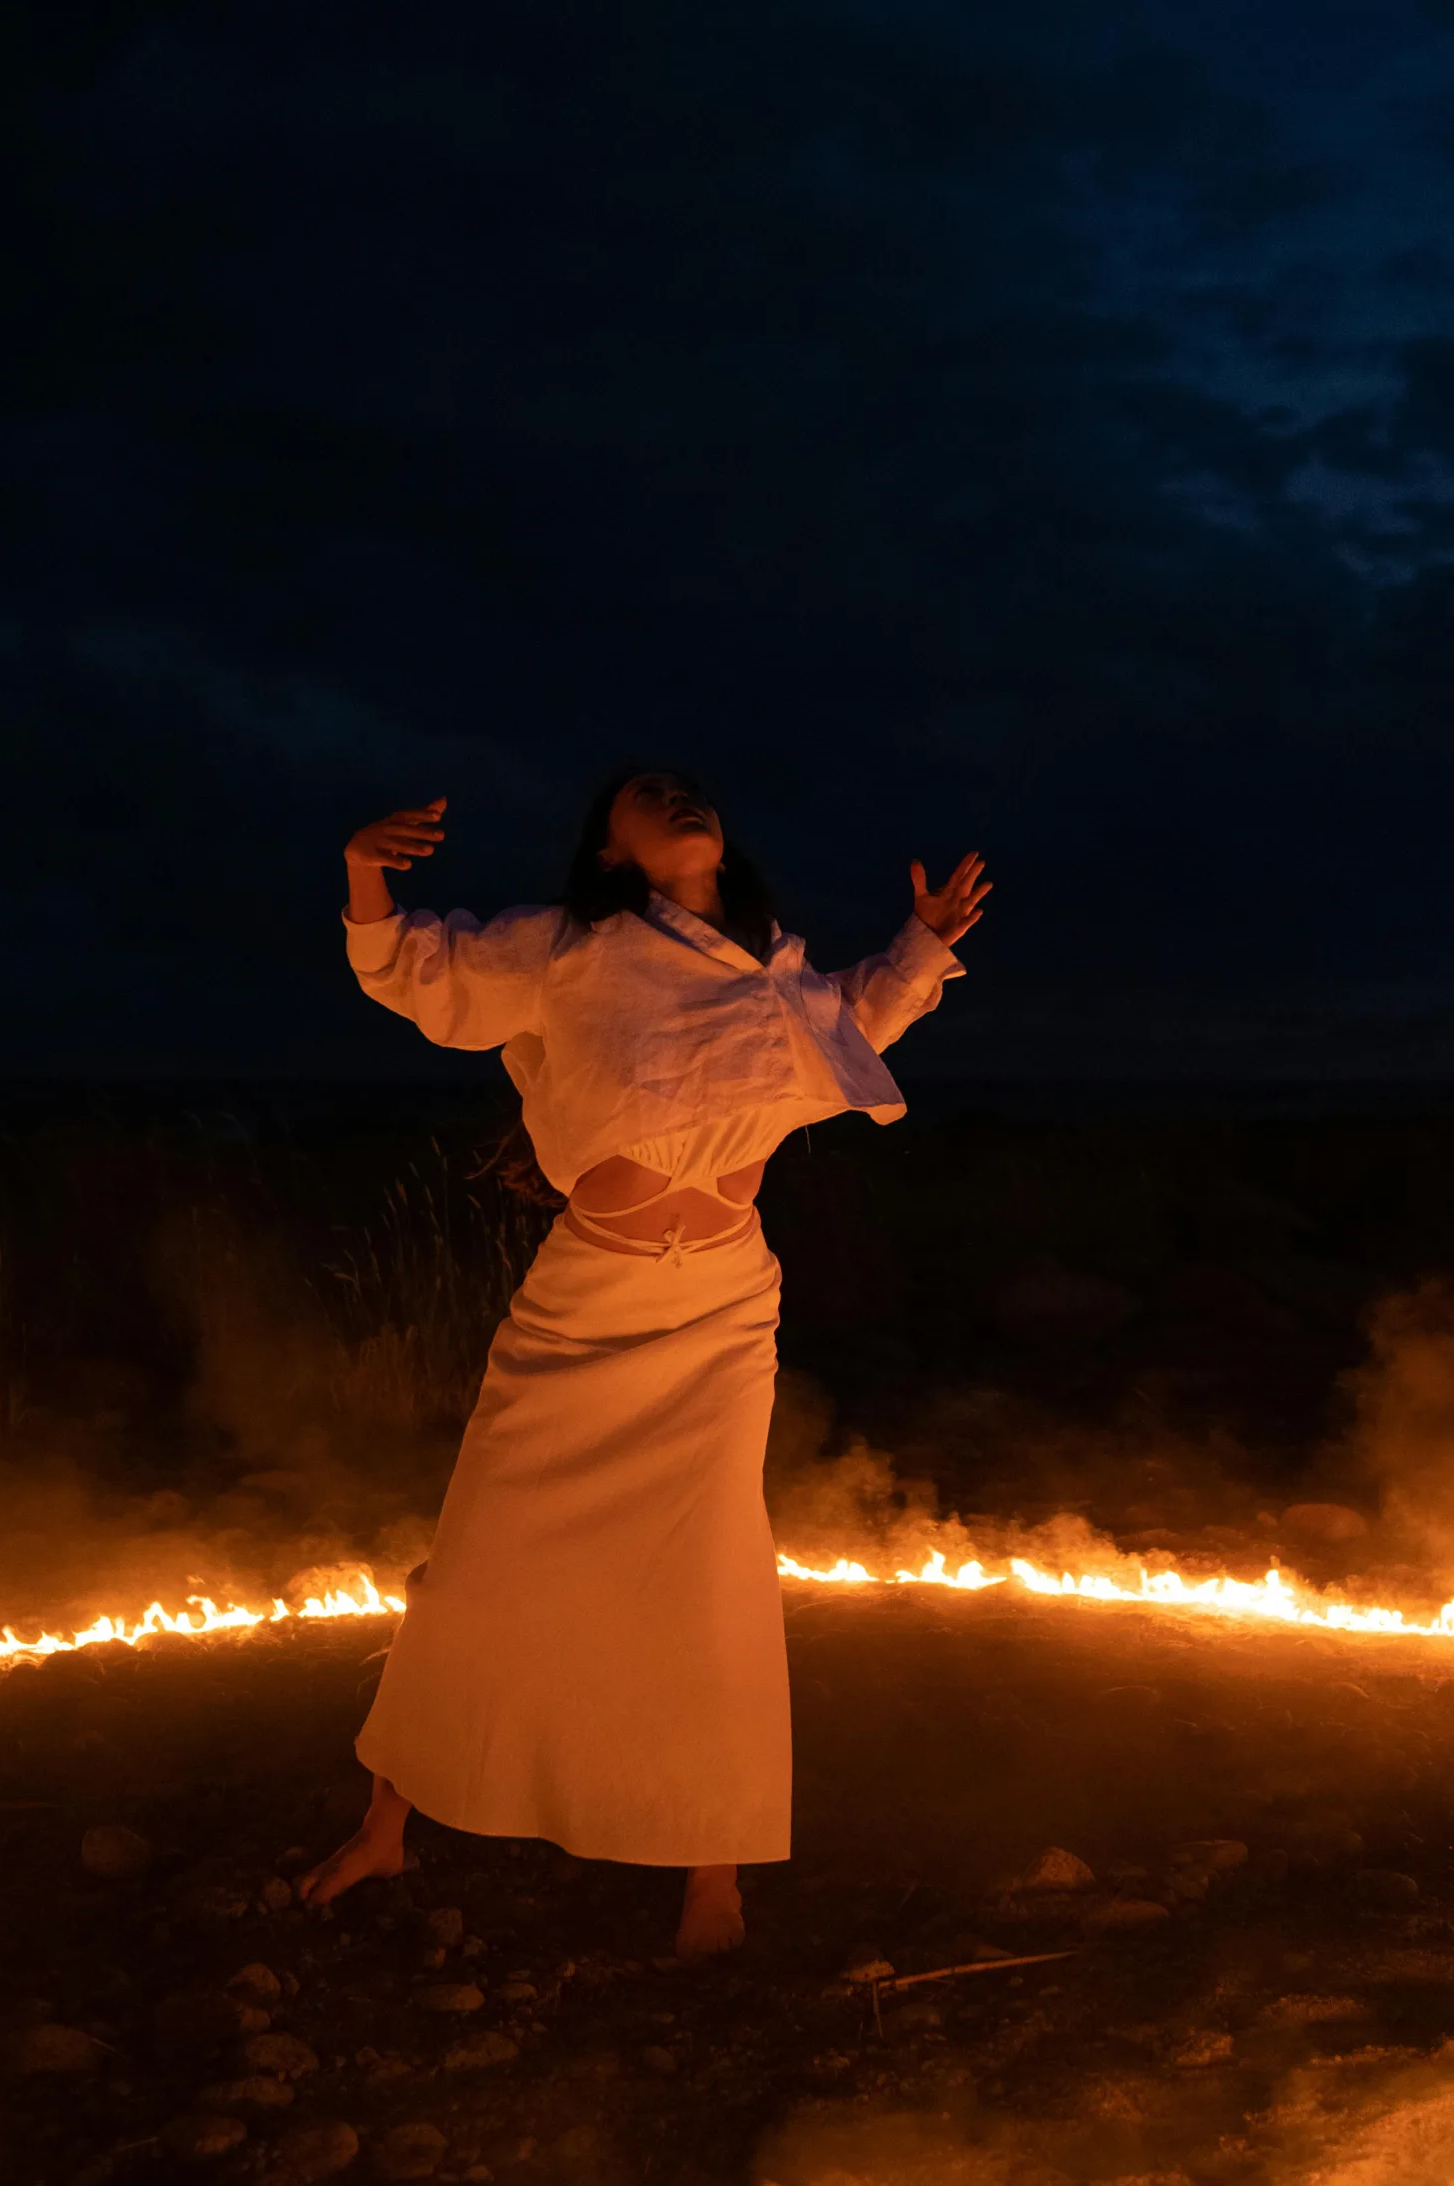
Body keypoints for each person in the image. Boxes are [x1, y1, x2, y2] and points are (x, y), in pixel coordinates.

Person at [299, 770, 988, 1954]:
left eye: (689, 789)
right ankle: (386, 1821)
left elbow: (860, 1020)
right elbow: (415, 969)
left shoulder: (773, 967)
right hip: (583, 1308)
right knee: (482, 1560)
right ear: (612, 853)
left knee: (707, 1578)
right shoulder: (570, 946)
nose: (677, 797)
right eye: (643, 795)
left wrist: (921, 944)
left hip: (722, 1308)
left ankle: (709, 1870)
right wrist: (364, 869)